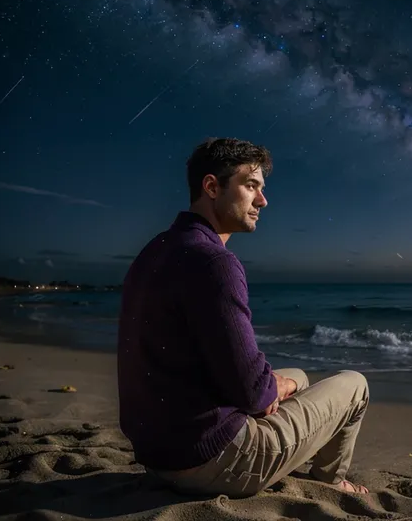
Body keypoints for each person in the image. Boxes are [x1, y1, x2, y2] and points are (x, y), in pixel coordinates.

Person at [117, 137, 370, 498]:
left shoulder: (154, 251)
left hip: (158, 453)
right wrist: (275, 389)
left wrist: (276, 387)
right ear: (211, 186)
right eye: (251, 186)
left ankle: (289, 417)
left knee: (296, 376)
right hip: (211, 460)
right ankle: (330, 482)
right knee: (354, 384)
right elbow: (253, 392)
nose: (262, 201)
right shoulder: (214, 262)